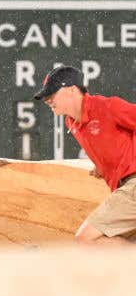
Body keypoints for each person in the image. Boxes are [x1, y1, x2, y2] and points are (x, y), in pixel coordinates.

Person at [34, 64, 136, 244]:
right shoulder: (71, 122)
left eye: (52, 93)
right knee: (99, 243)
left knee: (85, 239)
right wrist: (103, 166)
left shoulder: (106, 106)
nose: (47, 99)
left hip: (132, 187)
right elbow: (114, 143)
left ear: (72, 89)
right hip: (123, 188)